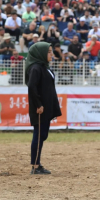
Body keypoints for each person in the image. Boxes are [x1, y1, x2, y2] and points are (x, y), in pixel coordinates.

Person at [26, 42, 62, 175]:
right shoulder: (36, 68)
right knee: (39, 135)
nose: (51, 54)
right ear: (40, 53)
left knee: (42, 135)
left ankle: (37, 164)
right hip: (40, 108)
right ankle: (35, 166)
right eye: (49, 52)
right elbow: (32, 87)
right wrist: (38, 104)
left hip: (46, 106)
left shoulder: (44, 67)